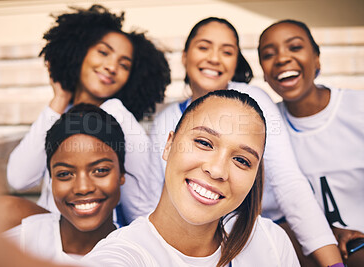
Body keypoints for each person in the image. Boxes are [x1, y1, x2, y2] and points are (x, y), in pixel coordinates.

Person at [149, 17, 343, 266]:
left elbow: (288, 182)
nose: (214, 58)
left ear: (235, 63)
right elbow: (156, 198)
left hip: (265, 227)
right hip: (197, 238)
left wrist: (333, 262)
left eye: (227, 51)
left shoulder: (254, 102)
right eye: (204, 47)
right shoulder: (166, 120)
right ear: (185, 56)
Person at [83, 90, 299, 266]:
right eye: (204, 143)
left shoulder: (272, 242)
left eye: (242, 160)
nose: (217, 171)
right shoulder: (123, 256)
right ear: (169, 145)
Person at [6, 4, 170, 224]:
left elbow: (143, 209)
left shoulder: (118, 116)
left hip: (91, 242)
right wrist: (60, 99)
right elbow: (19, 178)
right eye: (103, 52)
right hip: (52, 237)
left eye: (124, 65)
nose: (112, 67)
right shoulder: (61, 113)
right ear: (79, 53)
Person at [258, 19, 364, 266]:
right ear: (263, 72)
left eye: (294, 47)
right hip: (314, 251)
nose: (282, 59)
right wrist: (328, 232)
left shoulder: (357, 108)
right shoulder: (264, 127)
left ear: (317, 58)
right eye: (268, 54)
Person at [4, 103, 126, 265]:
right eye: (65, 174)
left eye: (100, 170)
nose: (83, 188)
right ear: (51, 180)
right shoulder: (20, 244)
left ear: (121, 175)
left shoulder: (138, 254)